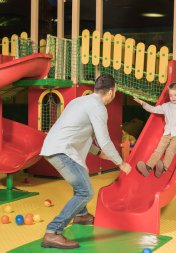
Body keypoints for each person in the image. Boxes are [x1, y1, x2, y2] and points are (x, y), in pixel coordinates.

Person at [40, 74, 131, 249]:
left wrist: (97, 152)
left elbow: (75, 132)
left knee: (81, 178)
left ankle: (81, 215)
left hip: (55, 147)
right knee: (85, 191)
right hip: (61, 151)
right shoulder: (98, 107)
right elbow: (104, 140)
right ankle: (53, 232)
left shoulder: (79, 101)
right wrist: (120, 162)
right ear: (112, 92)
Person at [133, 82, 176, 178]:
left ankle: (163, 169)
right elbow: (154, 109)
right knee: (158, 150)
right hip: (167, 133)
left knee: (170, 150)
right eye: (171, 95)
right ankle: (148, 167)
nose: (173, 97)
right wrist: (143, 103)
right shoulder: (166, 106)